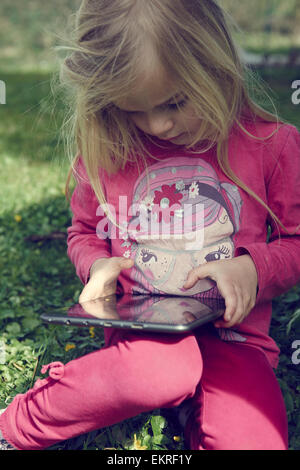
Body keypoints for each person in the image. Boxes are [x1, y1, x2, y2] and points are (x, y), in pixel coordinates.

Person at [1, 0, 300, 451]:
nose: (157, 125)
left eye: (175, 102)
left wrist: (253, 269)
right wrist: (97, 265)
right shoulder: (110, 150)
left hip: (236, 339)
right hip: (144, 335)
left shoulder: (271, 145)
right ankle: (17, 424)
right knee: (159, 373)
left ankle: (191, 406)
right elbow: (83, 232)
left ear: (215, 65)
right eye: (134, 109)